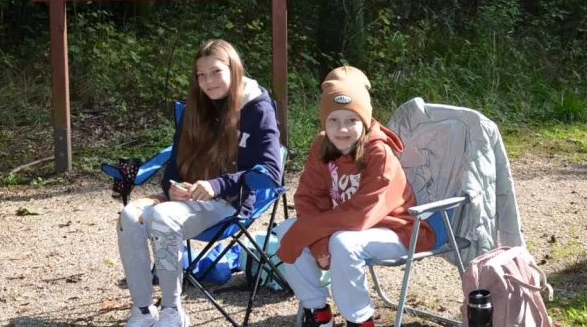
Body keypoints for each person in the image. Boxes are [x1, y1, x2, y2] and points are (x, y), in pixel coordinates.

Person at [116, 39, 283, 327]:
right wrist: (171, 187)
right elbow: (174, 163)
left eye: (217, 72)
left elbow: (271, 170)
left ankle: (172, 310)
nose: (209, 81)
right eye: (201, 75)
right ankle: (142, 310)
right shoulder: (195, 108)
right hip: (186, 201)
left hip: (228, 204)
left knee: (162, 216)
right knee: (129, 216)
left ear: (234, 69)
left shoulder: (256, 108)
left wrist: (217, 185)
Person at [275, 66, 435, 327]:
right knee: (286, 230)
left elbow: (362, 214)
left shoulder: (379, 154)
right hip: (341, 227)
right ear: (324, 122)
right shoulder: (321, 145)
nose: (343, 129)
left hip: (398, 230)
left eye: (352, 119)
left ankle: (359, 320)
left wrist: (320, 237)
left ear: (365, 120)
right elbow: (307, 197)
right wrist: (317, 243)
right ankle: (318, 312)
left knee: (343, 243)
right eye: (333, 120)